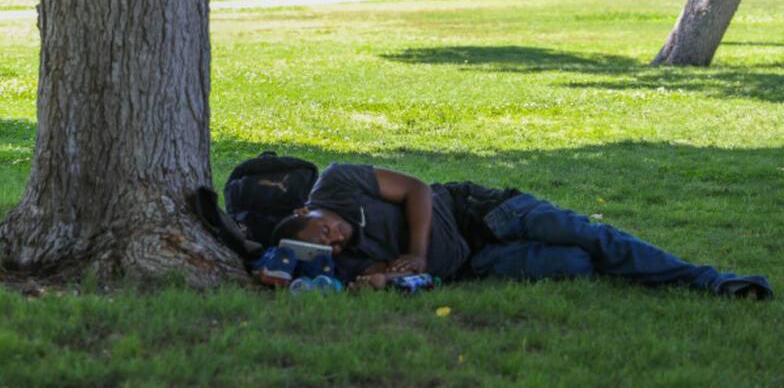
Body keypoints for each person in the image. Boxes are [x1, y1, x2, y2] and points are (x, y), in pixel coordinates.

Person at [270, 163, 772, 299]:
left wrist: (416, 253)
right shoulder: (340, 265)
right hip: (476, 265)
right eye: (327, 246)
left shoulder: (336, 183)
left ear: (308, 209)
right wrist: (382, 276)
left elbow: (418, 189)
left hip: (483, 213)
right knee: (575, 264)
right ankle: (636, 271)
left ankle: (709, 281)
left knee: (597, 238)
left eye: (325, 229)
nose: (334, 237)